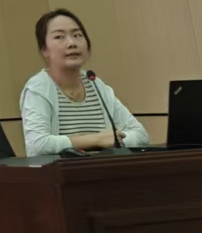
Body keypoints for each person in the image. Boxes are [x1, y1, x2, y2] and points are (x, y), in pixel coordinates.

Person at [21, 9, 148, 156]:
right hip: (62, 170)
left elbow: (141, 135)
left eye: (77, 35)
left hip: (104, 168)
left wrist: (113, 140)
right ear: (44, 50)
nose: (72, 43)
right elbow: (37, 145)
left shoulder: (95, 84)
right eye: (59, 37)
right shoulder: (38, 88)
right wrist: (97, 140)